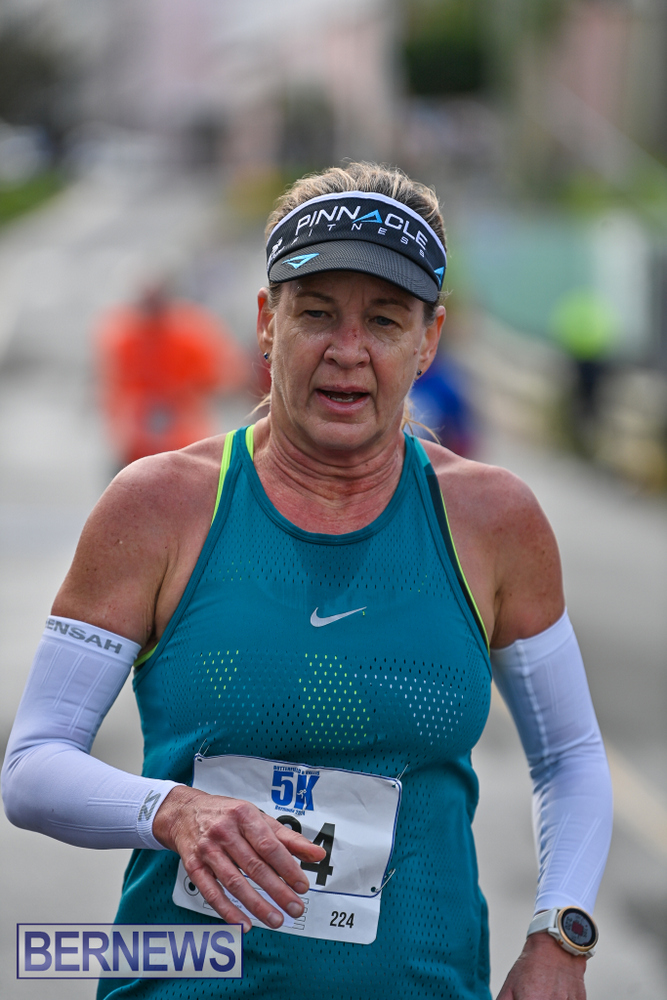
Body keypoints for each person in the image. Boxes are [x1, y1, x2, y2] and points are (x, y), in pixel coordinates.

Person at [2, 162, 612, 1000]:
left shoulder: (493, 521)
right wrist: (173, 811)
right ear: (267, 322)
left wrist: (560, 935)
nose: (346, 351)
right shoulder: (159, 506)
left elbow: (569, 757)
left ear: (428, 340)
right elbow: (33, 767)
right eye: (316, 313)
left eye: (384, 320)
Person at [97, 279, 249, 466]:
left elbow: (230, 374)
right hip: (138, 443)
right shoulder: (124, 337)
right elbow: (111, 387)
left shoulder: (191, 334)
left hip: (183, 441)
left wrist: (188, 391)